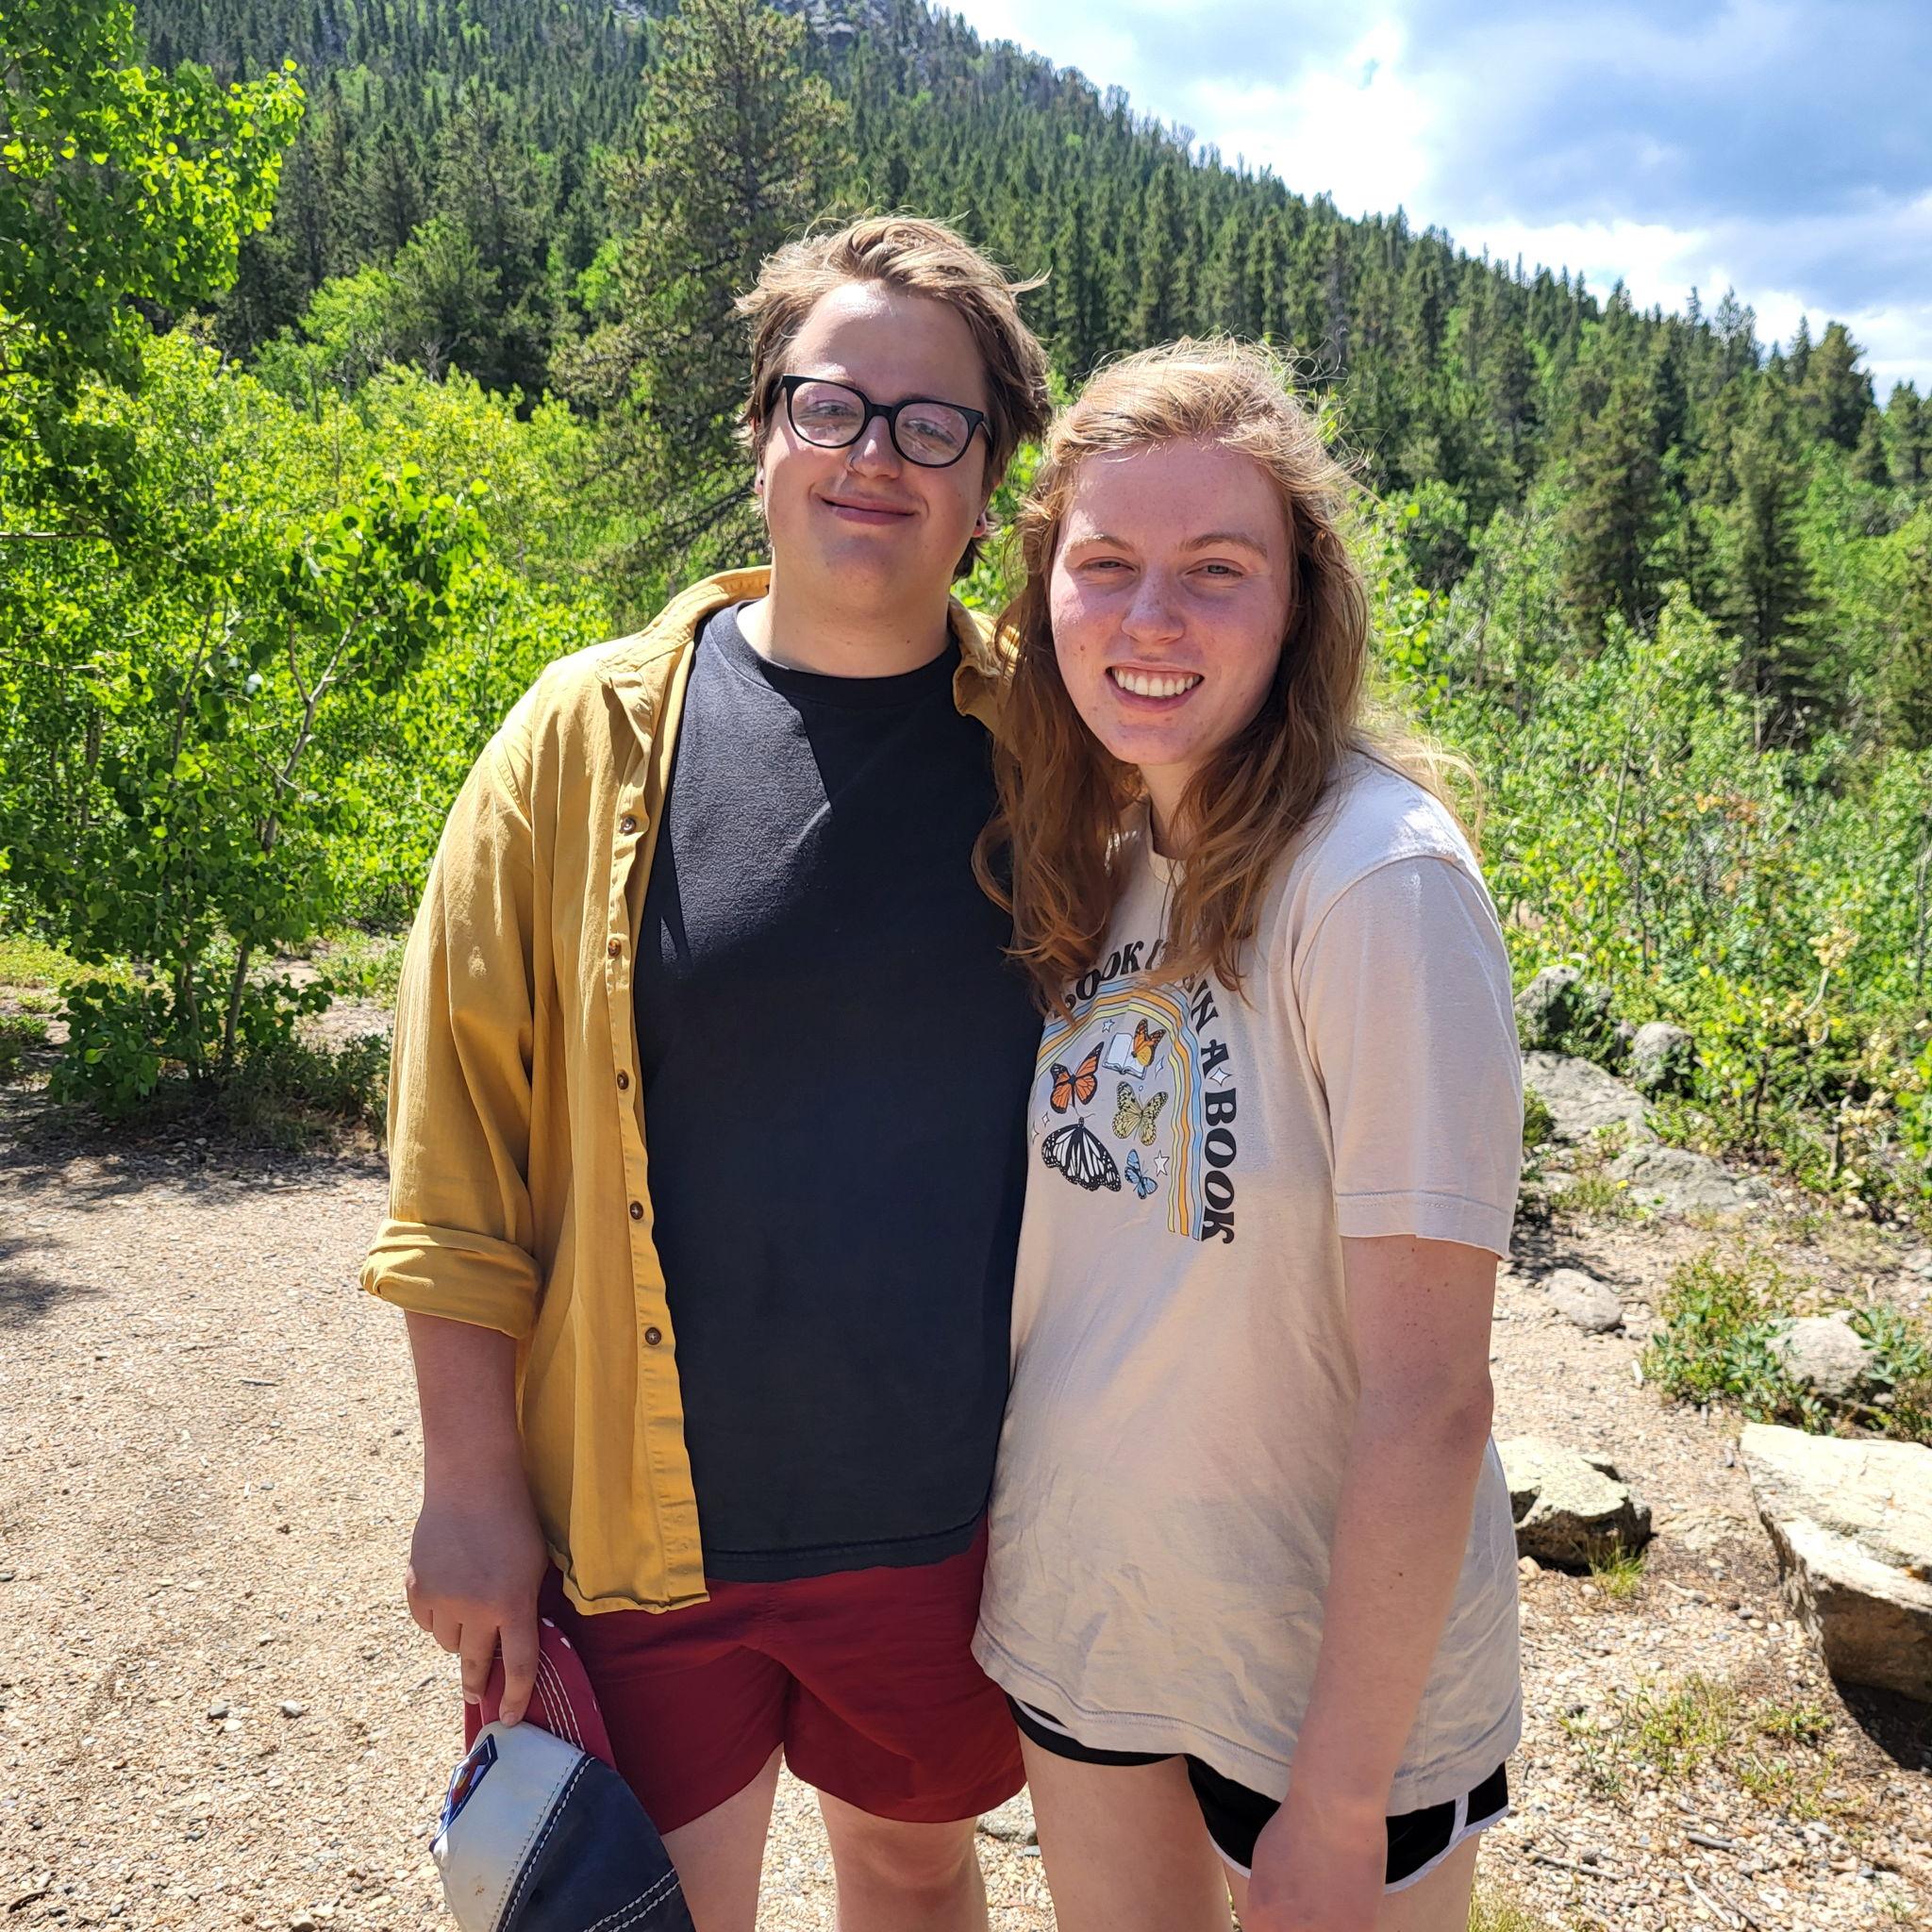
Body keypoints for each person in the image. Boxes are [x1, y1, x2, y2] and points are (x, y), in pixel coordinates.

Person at [361, 215, 1053, 1932]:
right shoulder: (577, 740)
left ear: (989, 485)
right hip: (638, 1519)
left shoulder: (1061, 754)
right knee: (654, 1905)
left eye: (934, 424)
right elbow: (457, 1150)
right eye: (831, 405)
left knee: (914, 1866)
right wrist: (469, 1489)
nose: (875, 454)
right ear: (761, 432)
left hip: (947, 1509)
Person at [970, 339, 1524, 1932]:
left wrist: (1341, 1801)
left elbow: (1432, 1393)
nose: (1151, 618)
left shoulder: (1376, 882)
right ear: (1046, 593)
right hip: (1093, 1614)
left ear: (1298, 604)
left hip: (1324, 1676)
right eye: (1106, 564)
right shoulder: (1105, 853)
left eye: (1217, 570)